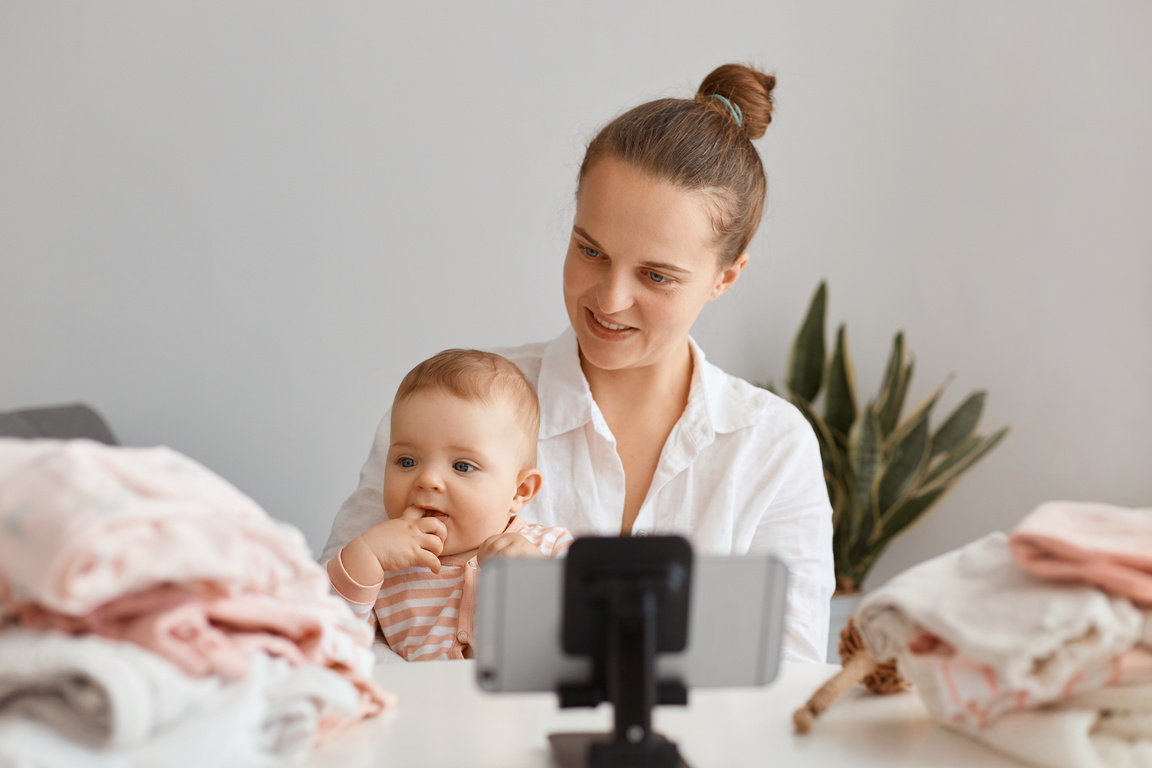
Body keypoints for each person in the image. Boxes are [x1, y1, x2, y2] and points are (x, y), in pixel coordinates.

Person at [323, 63, 835, 663]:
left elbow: (786, 681)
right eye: (590, 250)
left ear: (727, 275)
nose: (610, 300)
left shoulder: (771, 447)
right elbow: (323, 646)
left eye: (656, 275)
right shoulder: (446, 411)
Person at [325, 349, 572, 662]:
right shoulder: (384, 566)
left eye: (462, 466)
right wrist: (363, 557)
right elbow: (325, 641)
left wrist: (539, 578)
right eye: (407, 460)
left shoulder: (549, 549)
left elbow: (597, 636)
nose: (427, 480)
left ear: (520, 490)